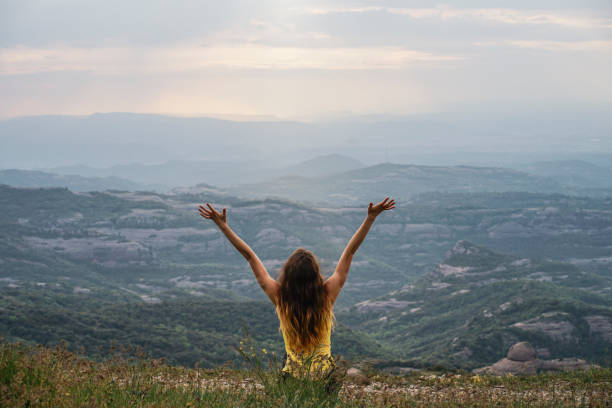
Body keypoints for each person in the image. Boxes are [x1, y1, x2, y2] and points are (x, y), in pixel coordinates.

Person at [198, 197, 395, 381]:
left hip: (292, 379)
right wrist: (370, 218)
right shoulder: (326, 296)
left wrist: (222, 226)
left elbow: (249, 256)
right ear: (315, 274)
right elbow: (350, 251)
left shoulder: (280, 298)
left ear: (288, 274)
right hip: (325, 378)